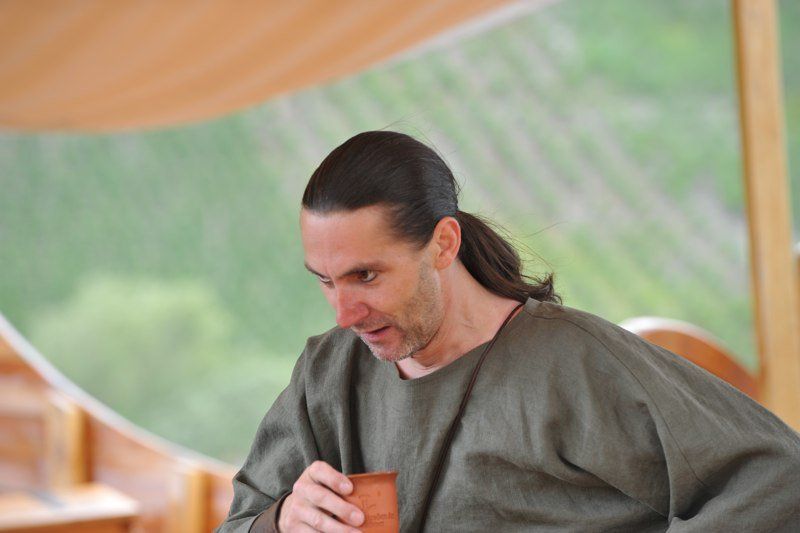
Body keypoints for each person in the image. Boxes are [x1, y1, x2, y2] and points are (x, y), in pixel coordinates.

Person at [217, 131, 800, 533]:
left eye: (366, 276)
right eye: (325, 281)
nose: (344, 314)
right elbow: (239, 522)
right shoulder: (327, 374)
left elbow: (779, 478)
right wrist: (283, 520)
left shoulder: (574, 364)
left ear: (443, 244)